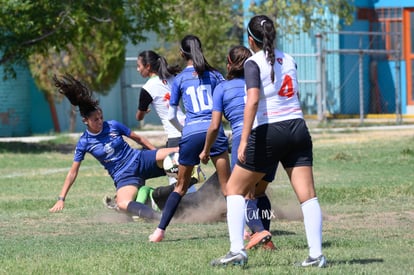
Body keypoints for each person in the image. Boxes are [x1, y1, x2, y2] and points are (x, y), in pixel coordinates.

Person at [211, 15, 326, 268]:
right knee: (307, 196)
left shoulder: (253, 63)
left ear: (250, 39)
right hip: (298, 127)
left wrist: (242, 141)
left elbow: (252, 101)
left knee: (233, 189)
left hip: (269, 131)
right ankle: (316, 255)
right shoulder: (291, 59)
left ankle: (236, 251)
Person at [49, 74, 178, 221]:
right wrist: (61, 198)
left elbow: (139, 139)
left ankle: (192, 181)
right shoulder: (84, 142)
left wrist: (155, 153)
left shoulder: (113, 125)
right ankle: (160, 217)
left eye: (101, 117)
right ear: (85, 121)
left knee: (176, 154)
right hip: (124, 176)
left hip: (139, 159)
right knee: (122, 204)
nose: (100, 121)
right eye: (95, 119)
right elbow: (73, 172)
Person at [149, 34, 231, 242]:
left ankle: (159, 232)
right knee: (228, 186)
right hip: (214, 131)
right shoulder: (214, 75)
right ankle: (244, 230)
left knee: (180, 187)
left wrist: (184, 129)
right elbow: (228, 97)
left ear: (181, 53)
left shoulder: (179, 80)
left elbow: (171, 115)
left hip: (191, 133)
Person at [199, 45, 276, 250]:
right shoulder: (257, 83)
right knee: (259, 193)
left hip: (246, 139)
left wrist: (206, 150)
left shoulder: (222, 88)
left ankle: (260, 232)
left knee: (243, 194)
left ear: (229, 63)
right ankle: (265, 239)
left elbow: (215, 126)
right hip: (270, 137)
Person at [135, 50, 199, 193]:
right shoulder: (172, 77)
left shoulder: (147, 88)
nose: (138, 69)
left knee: (175, 176)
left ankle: (188, 208)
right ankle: (195, 205)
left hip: (175, 133)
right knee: (184, 174)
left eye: (139, 66)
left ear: (148, 67)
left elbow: (138, 117)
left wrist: (144, 111)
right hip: (189, 127)